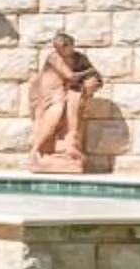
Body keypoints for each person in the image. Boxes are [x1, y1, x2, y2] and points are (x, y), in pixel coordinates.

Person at [28, 32, 104, 170]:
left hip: (64, 90)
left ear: (70, 45)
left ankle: (70, 147)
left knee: (72, 104)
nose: (59, 50)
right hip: (50, 92)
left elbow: (96, 77)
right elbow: (70, 76)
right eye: (56, 47)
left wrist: (91, 79)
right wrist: (87, 72)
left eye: (62, 47)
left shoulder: (79, 58)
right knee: (55, 113)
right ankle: (36, 150)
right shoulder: (54, 57)